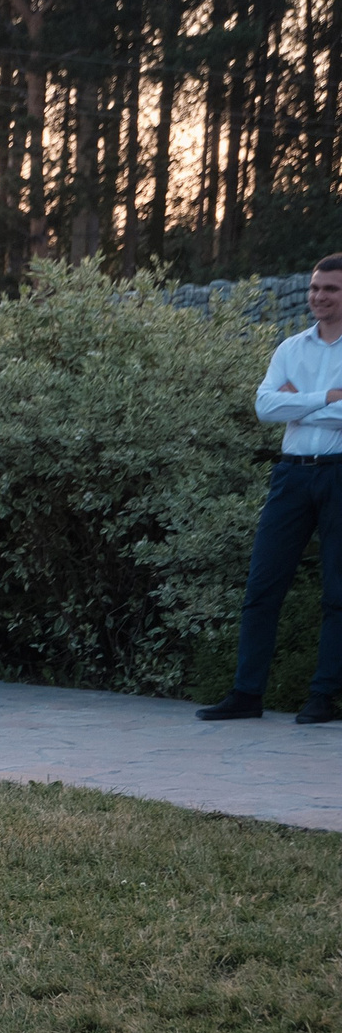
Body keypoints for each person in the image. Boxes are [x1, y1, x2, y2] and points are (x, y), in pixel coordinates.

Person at [195, 252, 342, 725]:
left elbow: (284, 407)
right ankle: (246, 694)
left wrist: (296, 403)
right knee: (262, 585)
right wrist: (326, 397)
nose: (319, 296)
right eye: (315, 287)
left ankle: (323, 696)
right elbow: (264, 407)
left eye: (331, 289)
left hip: (339, 473)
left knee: (337, 591)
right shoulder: (290, 349)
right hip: (291, 475)